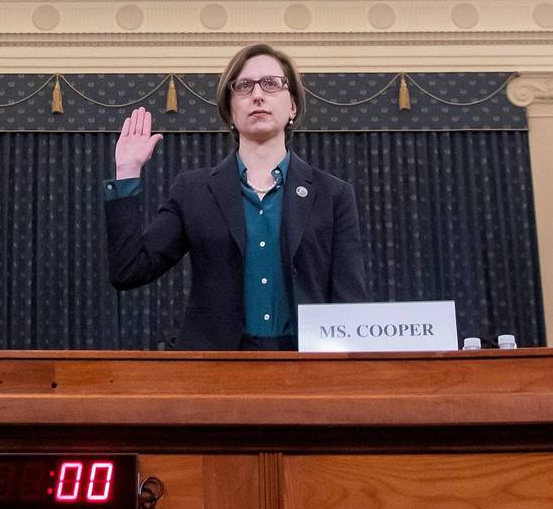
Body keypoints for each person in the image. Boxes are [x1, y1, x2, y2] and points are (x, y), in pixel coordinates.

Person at [104, 43, 367, 350]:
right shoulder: (193, 190)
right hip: (215, 373)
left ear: (293, 106)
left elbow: (350, 302)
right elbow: (129, 270)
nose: (258, 94)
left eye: (271, 83)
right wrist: (127, 170)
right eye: (243, 86)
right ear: (230, 110)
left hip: (307, 371)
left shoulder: (333, 195)